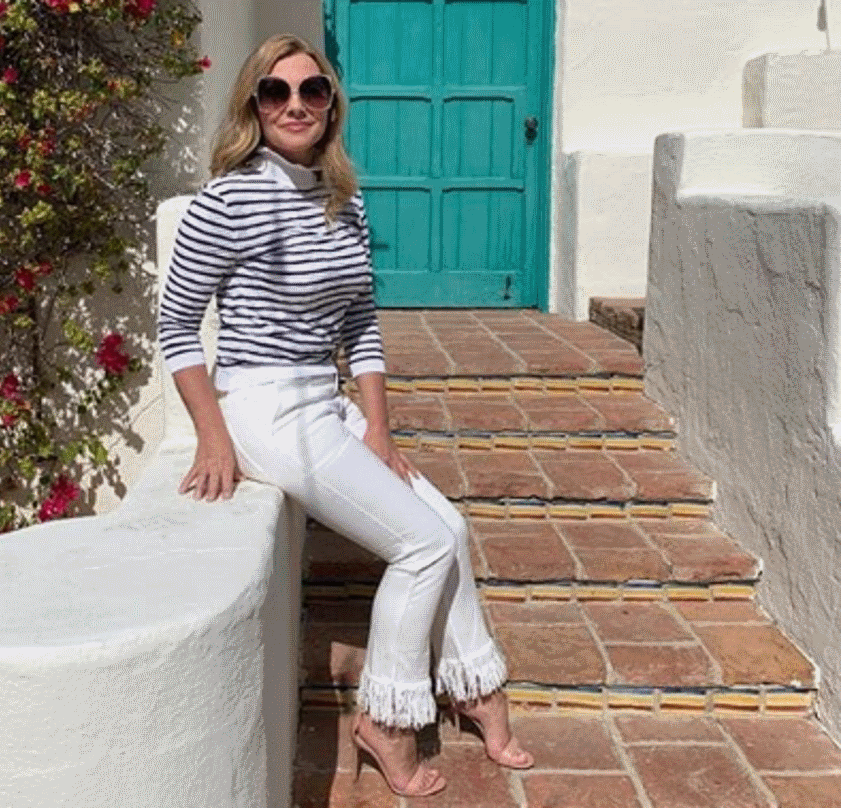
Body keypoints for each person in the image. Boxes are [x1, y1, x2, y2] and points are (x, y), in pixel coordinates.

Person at [157, 32, 533, 798]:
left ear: (331, 106)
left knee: (449, 525)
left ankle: (473, 685)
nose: (294, 104)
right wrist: (213, 435)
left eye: (312, 90)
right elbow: (176, 326)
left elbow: (360, 321)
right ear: (254, 106)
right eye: (276, 91)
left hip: (323, 401)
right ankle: (386, 721)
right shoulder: (226, 200)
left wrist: (379, 429)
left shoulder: (343, 197)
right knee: (422, 545)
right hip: (264, 406)